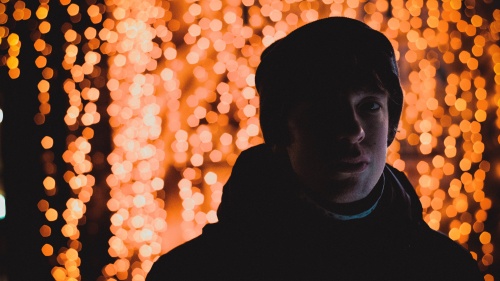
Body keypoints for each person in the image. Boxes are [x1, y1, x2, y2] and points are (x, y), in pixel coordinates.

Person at [147, 17, 482, 280]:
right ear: (280, 130)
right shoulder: (195, 273)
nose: (352, 131)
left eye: (370, 106)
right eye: (325, 109)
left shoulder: (446, 270)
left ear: (391, 122)